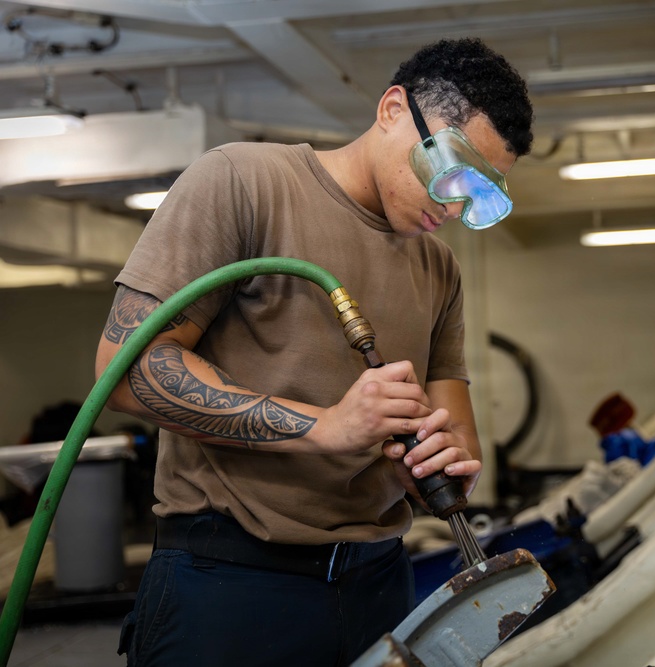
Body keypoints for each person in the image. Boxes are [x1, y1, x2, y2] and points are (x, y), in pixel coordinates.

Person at [95, 37, 533, 666]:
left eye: (478, 192)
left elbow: (456, 430)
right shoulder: (244, 182)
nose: (455, 204)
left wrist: (450, 460)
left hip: (380, 583)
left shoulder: (439, 268)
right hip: (231, 582)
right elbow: (125, 371)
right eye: (452, 171)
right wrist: (326, 428)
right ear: (392, 110)